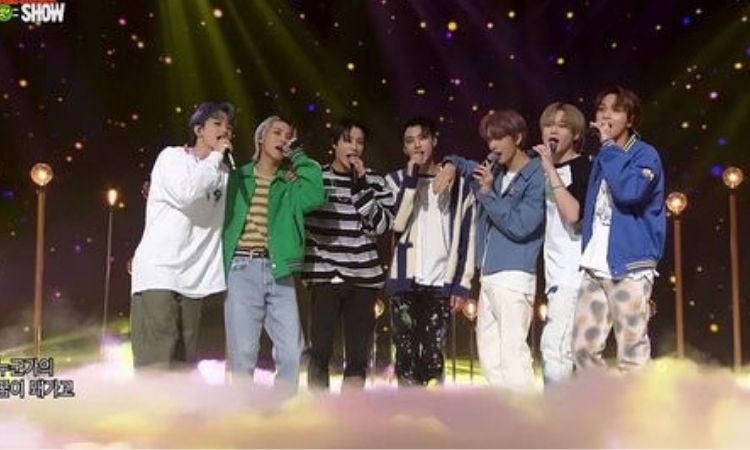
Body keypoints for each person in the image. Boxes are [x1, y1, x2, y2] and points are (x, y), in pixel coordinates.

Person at [435, 109, 545, 390]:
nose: (492, 146)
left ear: (517, 137)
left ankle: (525, 413)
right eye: (489, 140)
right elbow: (463, 163)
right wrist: (449, 164)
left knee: (512, 355)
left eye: (498, 138)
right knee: (489, 357)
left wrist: (487, 194)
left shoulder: (536, 175)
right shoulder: (493, 171)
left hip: (515, 274)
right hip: (489, 275)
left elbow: (522, 225)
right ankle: (502, 412)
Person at [223, 115, 325, 389]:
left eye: (289, 136)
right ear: (261, 137)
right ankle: (242, 411)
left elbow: (316, 194)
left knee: (293, 351)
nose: (283, 139)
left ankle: (281, 409)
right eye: (277, 133)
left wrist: (298, 156)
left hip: (279, 270)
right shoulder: (237, 177)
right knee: (243, 353)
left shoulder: (290, 183)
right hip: (242, 268)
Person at [130, 101, 234, 369]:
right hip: (160, 269)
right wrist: (215, 158)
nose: (225, 130)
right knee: (158, 353)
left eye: (228, 126)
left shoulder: (224, 173)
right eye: (217, 124)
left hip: (195, 276)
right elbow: (188, 194)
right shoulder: (172, 157)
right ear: (198, 130)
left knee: (184, 359)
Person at [571, 86, 666, 372]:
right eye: (601, 109)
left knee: (632, 351)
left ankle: (638, 402)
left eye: (615, 109)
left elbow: (629, 192)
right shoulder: (604, 155)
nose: (606, 115)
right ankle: (599, 399)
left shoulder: (645, 155)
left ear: (631, 118)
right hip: (595, 264)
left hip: (630, 265)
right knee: (582, 349)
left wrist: (609, 148)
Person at [302, 119, 395, 391]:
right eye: (347, 140)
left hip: (363, 278)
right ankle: (318, 408)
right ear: (334, 144)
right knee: (320, 350)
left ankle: (351, 411)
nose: (354, 147)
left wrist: (362, 185)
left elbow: (381, 227)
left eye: (360, 142)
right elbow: (301, 212)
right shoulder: (317, 178)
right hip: (325, 275)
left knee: (357, 354)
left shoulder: (375, 181)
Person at [384, 116, 475, 387]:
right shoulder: (395, 180)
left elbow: (468, 237)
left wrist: (462, 283)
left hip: (440, 283)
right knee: (405, 355)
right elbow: (397, 223)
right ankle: (408, 410)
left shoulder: (458, 185)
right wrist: (410, 181)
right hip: (405, 282)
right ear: (404, 148)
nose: (417, 146)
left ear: (434, 140)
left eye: (422, 138)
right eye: (410, 141)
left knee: (434, 356)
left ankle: (432, 409)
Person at [532, 102, 591, 384]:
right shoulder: (540, 169)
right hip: (555, 273)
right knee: (565, 350)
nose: (553, 130)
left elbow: (573, 215)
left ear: (576, 134)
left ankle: (557, 409)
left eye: (562, 125)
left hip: (574, 273)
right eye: (548, 125)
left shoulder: (584, 167)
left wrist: (550, 169)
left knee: (555, 348)